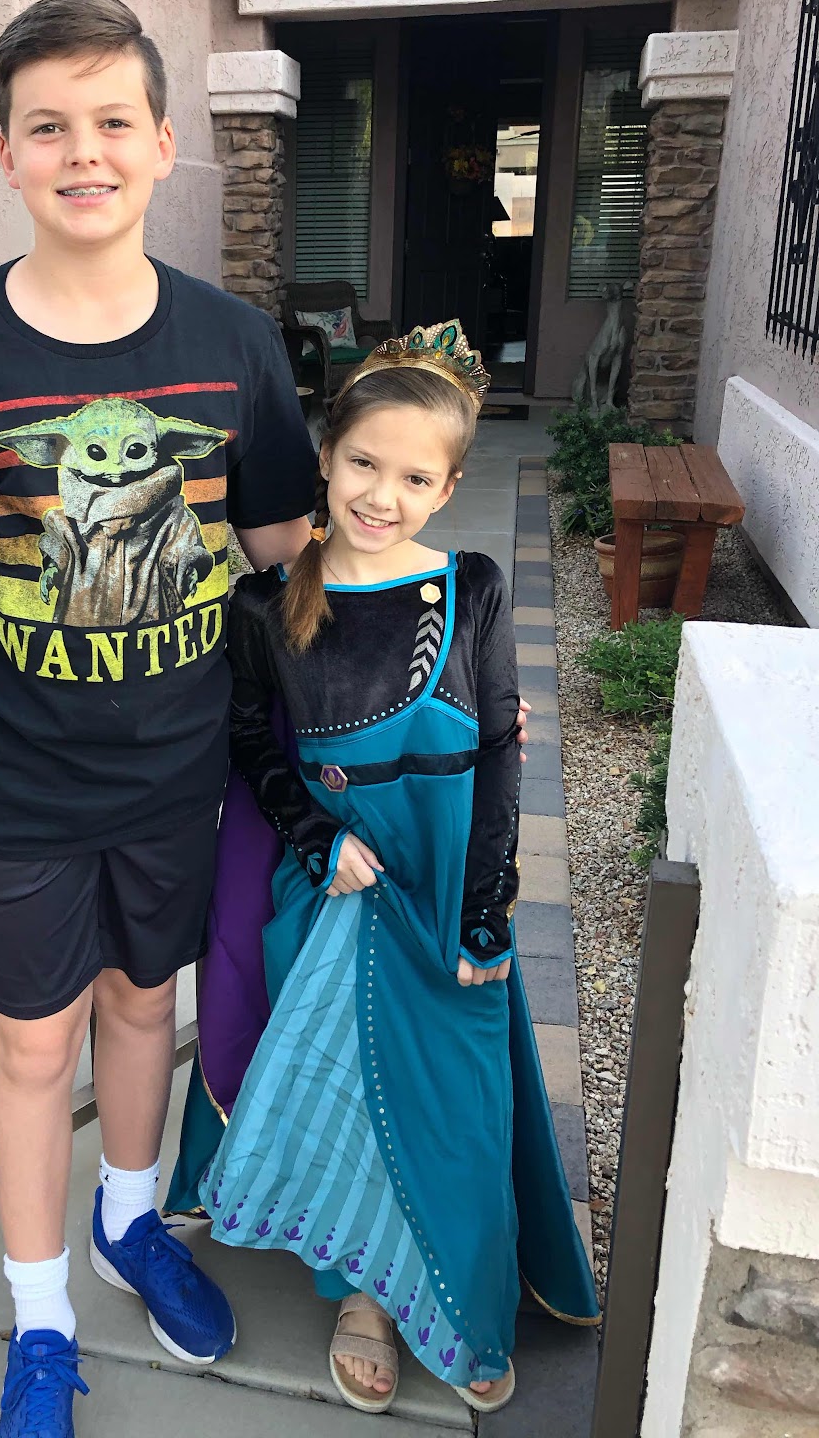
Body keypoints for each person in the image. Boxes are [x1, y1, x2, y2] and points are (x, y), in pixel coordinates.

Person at [0, 0, 322, 1438]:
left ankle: (132, 1223)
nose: (84, 152)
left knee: (143, 1005)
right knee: (30, 1045)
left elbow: (292, 550)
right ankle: (42, 1315)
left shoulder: (235, 343)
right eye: (48, 127)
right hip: (13, 783)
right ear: (6, 153)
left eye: (113, 122)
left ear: (163, 143)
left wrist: (438, 615)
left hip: (181, 771)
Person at [168, 323, 600, 1416]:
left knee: (457, 1095)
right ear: (326, 458)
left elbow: (498, 749)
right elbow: (253, 741)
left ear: (449, 486)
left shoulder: (473, 587)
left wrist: (487, 910)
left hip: (447, 881)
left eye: (414, 477)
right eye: (363, 462)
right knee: (357, 1093)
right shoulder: (268, 603)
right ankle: (364, 1297)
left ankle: (469, 1293)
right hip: (340, 887)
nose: (382, 494)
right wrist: (315, 840)